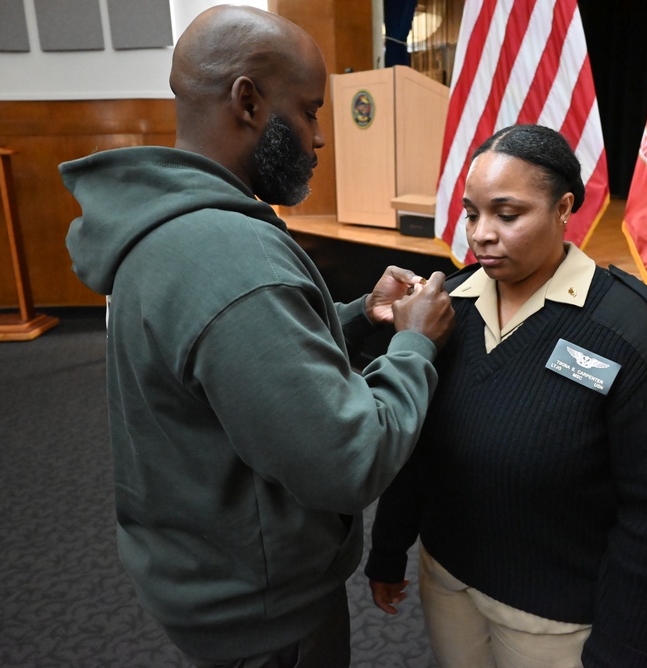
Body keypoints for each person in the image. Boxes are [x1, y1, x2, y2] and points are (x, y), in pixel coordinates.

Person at [61, 5, 454, 667]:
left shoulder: (166, 224)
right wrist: (414, 344)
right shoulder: (229, 259)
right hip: (265, 617)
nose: (319, 137)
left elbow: (243, 363)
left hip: (207, 574)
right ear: (247, 101)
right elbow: (349, 460)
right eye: (308, 111)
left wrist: (362, 314)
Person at [365, 124, 647, 667]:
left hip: (553, 617)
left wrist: (624, 649)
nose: (480, 235)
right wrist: (388, 548)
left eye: (507, 214)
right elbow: (417, 447)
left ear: (564, 208)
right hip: (448, 580)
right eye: (472, 213)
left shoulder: (633, 331)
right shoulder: (447, 306)